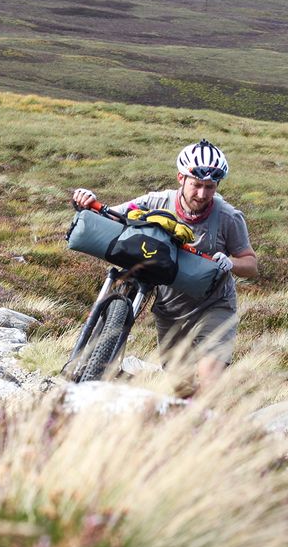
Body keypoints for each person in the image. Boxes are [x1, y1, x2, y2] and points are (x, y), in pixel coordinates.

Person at [72, 139, 257, 391]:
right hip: (170, 309)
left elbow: (251, 264)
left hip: (213, 306)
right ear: (181, 178)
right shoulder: (155, 202)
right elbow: (111, 216)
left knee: (208, 385)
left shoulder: (228, 217)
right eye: (197, 185)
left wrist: (231, 263)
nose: (202, 194)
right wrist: (87, 200)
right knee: (181, 387)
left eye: (210, 187)